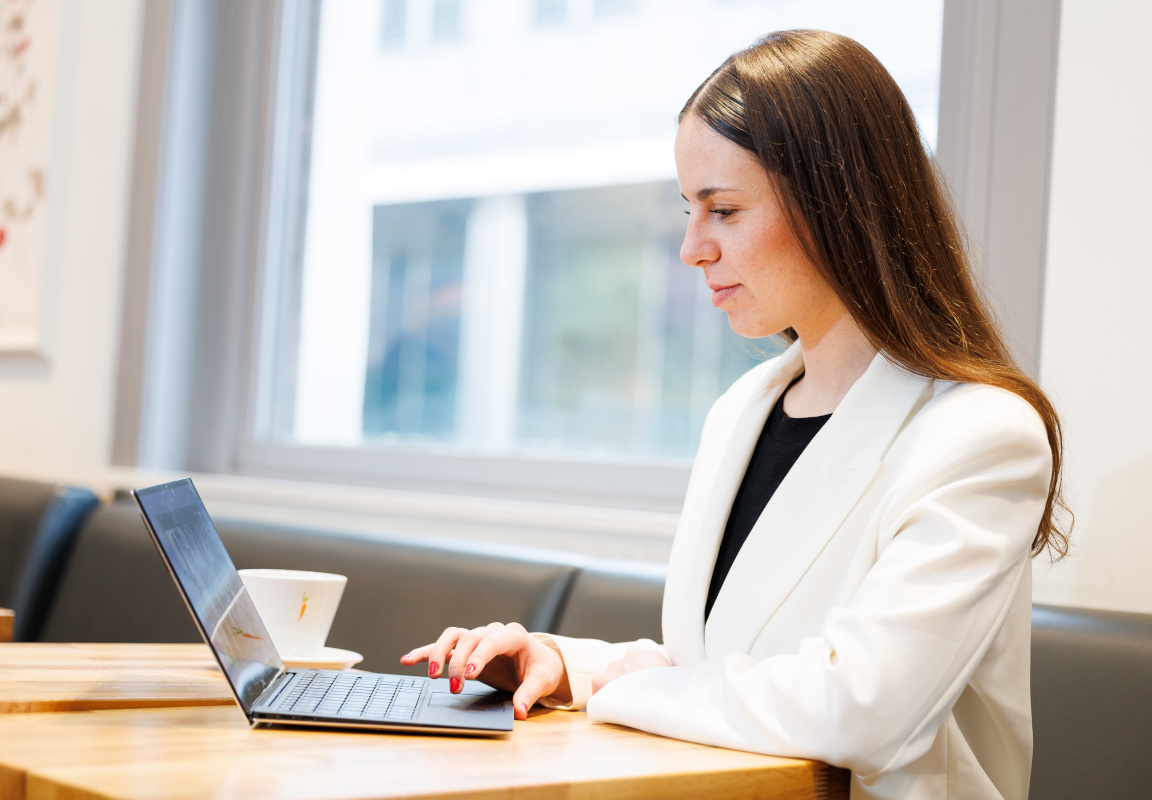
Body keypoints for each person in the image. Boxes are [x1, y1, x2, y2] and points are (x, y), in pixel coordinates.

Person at [401, 29, 1069, 800]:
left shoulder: (981, 436)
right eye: (690, 209)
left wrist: (622, 688)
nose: (691, 247)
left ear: (837, 204)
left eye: (722, 209)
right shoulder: (743, 411)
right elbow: (731, 664)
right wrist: (570, 668)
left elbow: (859, 709)